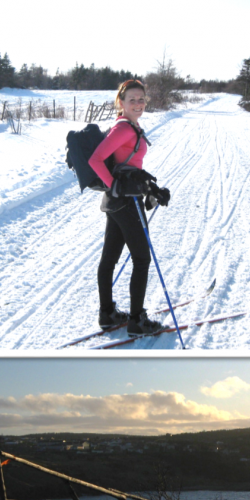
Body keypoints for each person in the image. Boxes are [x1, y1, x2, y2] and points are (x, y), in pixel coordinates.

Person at [88, 79, 165, 334]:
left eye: (141, 99)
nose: (138, 104)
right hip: (125, 202)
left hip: (119, 202)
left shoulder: (132, 126)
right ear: (121, 102)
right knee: (142, 258)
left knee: (109, 258)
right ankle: (136, 320)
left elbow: (131, 167)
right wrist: (113, 185)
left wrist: (151, 189)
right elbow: (95, 159)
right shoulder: (124, 129)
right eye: (132, 99)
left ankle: (108, 314)